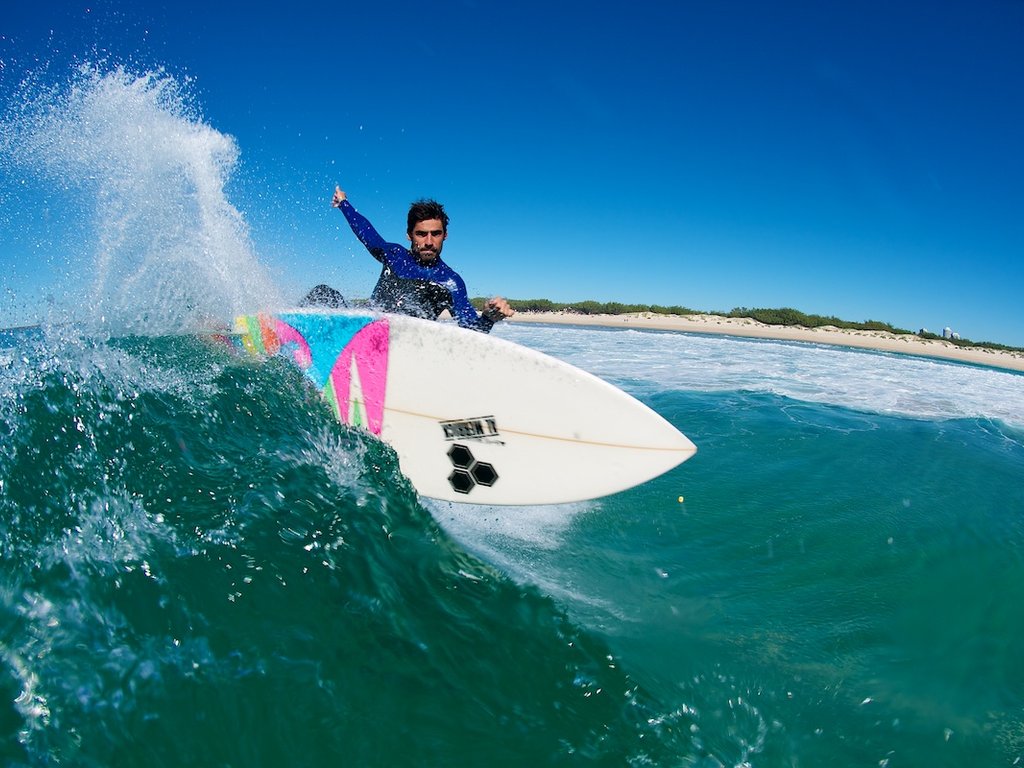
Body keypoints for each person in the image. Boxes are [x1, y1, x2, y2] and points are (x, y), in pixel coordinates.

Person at [301, 186, 513, 333]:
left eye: (436, 234)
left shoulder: (450, 283)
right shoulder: (394, 256)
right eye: (421, 234)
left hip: (400, 343)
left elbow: (470, 332)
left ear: (445, 235)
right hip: (362, 326)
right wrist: (344, 204)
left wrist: (488, 318)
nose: (429, 241)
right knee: (322, 293)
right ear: (409, 235)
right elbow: (366, 233)